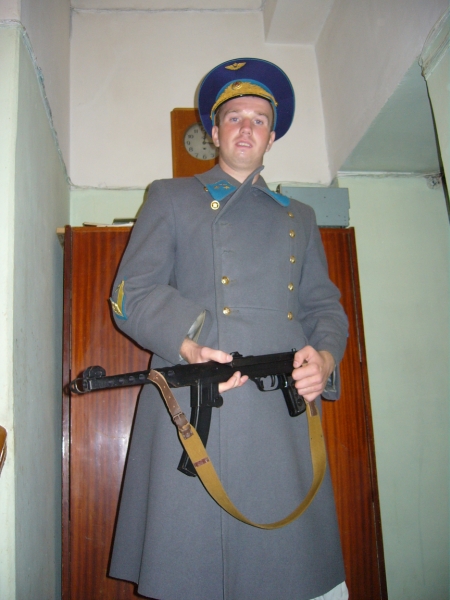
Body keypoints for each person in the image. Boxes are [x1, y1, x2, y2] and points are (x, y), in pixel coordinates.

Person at [109, 58, 349, 600]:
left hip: (280, 411)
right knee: (192, 571)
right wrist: (190, 343)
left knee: (284, 574)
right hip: (196, 406)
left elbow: (325, 308)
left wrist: (325, 359)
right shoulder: (170, 196)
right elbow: (130, 295)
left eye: (259, 120)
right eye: (234, 117)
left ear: (271, 138)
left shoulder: (300, 217)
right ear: (214, 133)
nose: (246, 127)